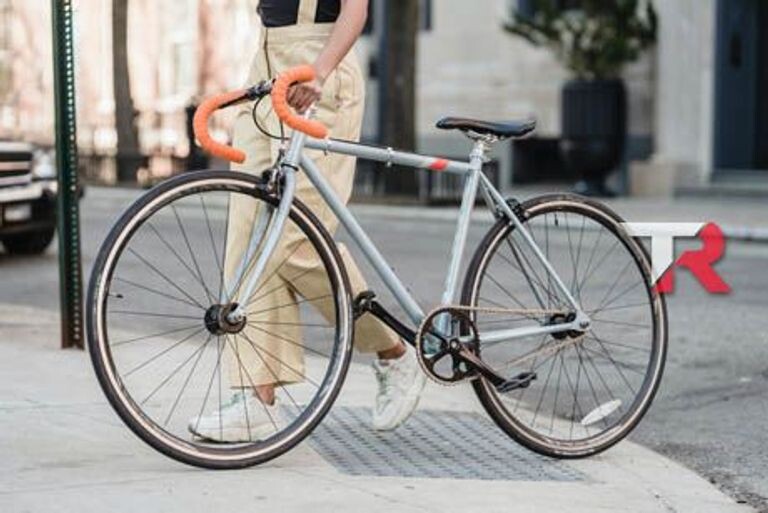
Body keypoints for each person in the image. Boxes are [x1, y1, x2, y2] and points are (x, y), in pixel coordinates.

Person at [189, 0, 426, 443]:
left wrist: (320, 70)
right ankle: (256, 399)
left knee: (295, 243)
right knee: (248, 237)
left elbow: (355, 10)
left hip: (319, 71)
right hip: (266, 66)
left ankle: (394, 350)